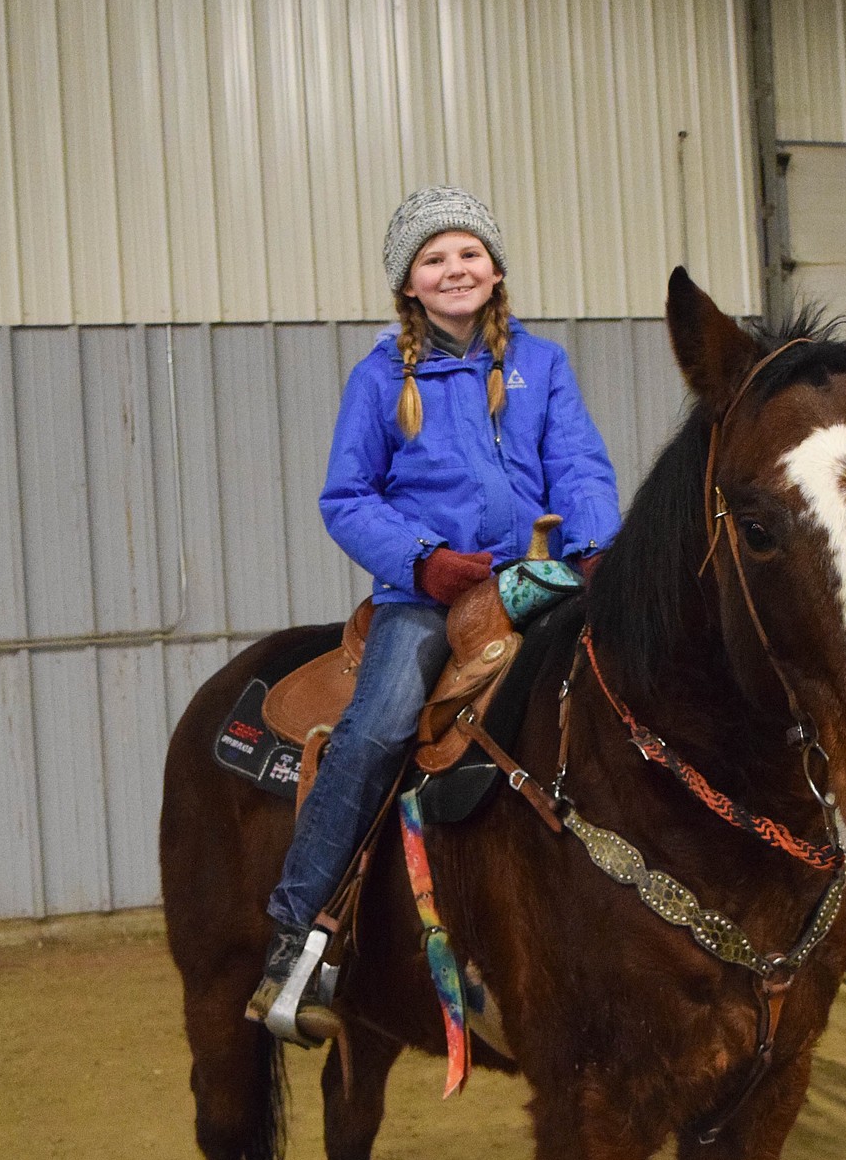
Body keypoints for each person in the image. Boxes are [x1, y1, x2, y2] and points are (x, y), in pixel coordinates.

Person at [248, 186, 621, 1038]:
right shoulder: (379, 377)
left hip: (543, 578)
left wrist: (597, 547)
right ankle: (299, 937)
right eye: (433, 258)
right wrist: (424, 560)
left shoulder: (542, 365)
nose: (455, 269)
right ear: (408, 284)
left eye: (469, 253)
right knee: (378, 727)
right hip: (427, 599)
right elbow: (347, 498)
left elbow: (579, 466)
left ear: (495, 269)